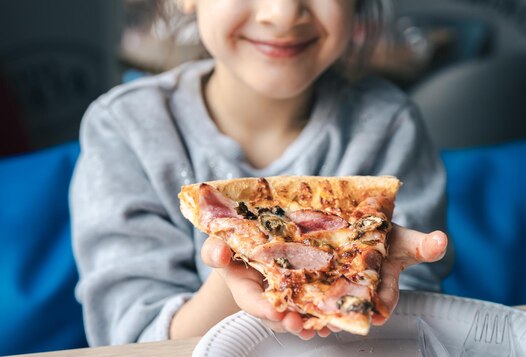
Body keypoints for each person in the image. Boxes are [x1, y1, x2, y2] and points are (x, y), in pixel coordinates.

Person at [70, 0, 453, 346]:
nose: (283, 13)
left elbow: (406, 329)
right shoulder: (125, 127)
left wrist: (370, 267)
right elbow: (131, 341)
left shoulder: (389, 125)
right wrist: (245, 264)